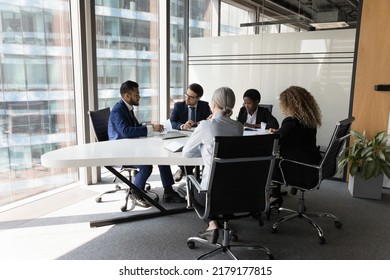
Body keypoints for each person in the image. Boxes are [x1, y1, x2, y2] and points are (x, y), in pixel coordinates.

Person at [108, 80, 185, 207]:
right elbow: (126, 131)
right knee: (146, 165)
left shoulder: (127, 108)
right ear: (127, 96)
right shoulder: (118, 110)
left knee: (162, 157)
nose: (139, 97)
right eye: (137, 95)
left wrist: (150, 126)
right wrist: (150, 129)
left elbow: (133, 126)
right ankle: (135, 193)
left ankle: (169, 192)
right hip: (121, 151)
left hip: (131, 146)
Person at [182, 87, 243, 244]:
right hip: (236, 192)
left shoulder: (205, 126)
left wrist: (205, 148)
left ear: (213, 103)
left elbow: (186, 153)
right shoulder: (238, 127)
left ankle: (212, 225)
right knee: (219, 187)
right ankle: (219, 221)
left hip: (210, 194)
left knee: (190, 184)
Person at [269, 86, 322, 208]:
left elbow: (275, 141)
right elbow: (293, 136)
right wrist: (278, 132)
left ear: (288, 104)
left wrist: (274, 134)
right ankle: (275, 195)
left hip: (299, 168)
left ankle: (274, 196)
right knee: (276, 161)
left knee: (268, 164)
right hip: (313, 165)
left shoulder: (291, 122)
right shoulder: (308, 120)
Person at [170, 83, 212, 182]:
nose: (187, 99)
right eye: (186, 95)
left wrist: (204, 122)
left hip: (198, 137)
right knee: (184, 150)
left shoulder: (204, 105)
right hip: (182, 136)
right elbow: (172, 122)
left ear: (198, 98)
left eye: (191, 97)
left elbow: (210, 120)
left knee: (198, 149)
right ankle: (187, 171)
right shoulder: (178, 106)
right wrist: (182, 126)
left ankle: (184, 170)